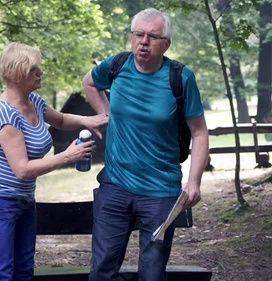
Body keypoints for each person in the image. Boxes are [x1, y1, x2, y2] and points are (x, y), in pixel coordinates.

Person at [82, 8, 209, 281]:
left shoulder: (181, 78)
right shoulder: (117, 66)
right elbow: (90, 82)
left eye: (152, 36)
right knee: (101, 272)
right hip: (115, 187)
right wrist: (108, 116)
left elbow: (199, 133)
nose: (144, 41)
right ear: (131, 38)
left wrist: (194, 182)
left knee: (152, 276)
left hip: (160, 193)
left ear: (166, 44)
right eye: (138, 34)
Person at [0, 42, 109, 281]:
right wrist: (67, 156)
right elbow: (23, 170)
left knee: (25, 270)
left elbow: (61, 120)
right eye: (33, 69)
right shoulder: (6, 115)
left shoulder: (34, 100)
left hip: (24, 199)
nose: (40, 73)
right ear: (17, 73)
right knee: (1, 273)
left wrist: (88, 121)